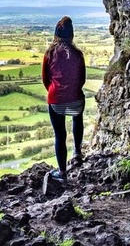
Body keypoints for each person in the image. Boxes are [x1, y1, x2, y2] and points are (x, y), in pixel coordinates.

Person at [41, 16, 86, 181]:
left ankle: (62, 172)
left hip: (56, 100)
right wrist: (72, 91)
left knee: (60, 134)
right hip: (75, 98)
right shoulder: (78, 54)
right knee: (77, 119)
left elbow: (46, 79)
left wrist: (55, 92)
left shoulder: (49, 54)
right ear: (71, 35)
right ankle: (78, 152)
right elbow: (82, 79)